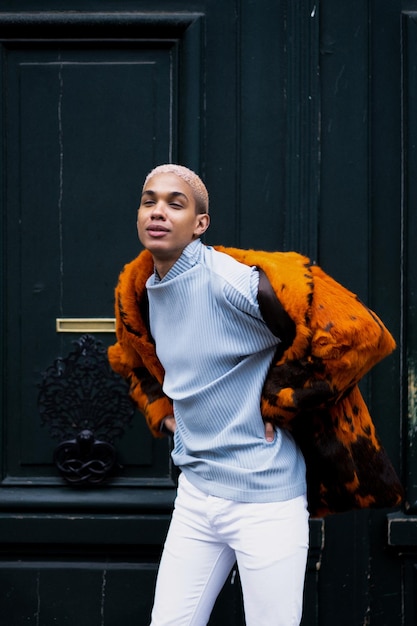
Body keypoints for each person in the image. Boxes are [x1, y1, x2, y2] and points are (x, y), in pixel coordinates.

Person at [108, 164, 403, 626]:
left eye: (175, 203)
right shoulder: (139, 290)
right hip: (197, 495)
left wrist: (281, 399)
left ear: (199, 224)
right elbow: (133, 359)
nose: (158, 212)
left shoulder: (233, 281)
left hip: (264, 500)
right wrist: (166, 413)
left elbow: (357, 331)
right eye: (150, 201)